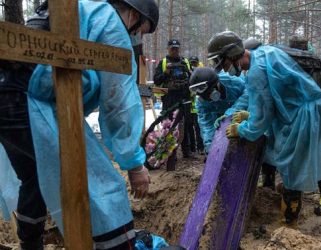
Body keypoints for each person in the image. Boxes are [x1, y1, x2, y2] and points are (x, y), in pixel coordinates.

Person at [0, 0, 159, 249]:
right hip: (29, 99)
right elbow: (118, 101)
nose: (135, 36)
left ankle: (30, 244)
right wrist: (134, 163)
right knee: (102, 184)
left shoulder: (84, 9)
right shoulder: (109, 20)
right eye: (139, 30)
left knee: (32, 177)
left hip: (6, 94)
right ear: (133, 14)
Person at [207, 31, 321, 225]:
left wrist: (241, 129)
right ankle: (289, 212)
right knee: (284, 158)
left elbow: (261, 120)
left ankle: (289, 222)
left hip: (300, 114)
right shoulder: (263, 54)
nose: (225, 70)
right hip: (297, 110)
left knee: (291, 166)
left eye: (223, 63)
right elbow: (263, 98)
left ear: (232, 55)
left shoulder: (257, 70)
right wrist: (241, 113)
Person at [189, 67, 246, 153]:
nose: (207, 100)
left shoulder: (234, 81)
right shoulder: (201, 102)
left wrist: (231, 113)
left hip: (242, 112)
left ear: (216, 86)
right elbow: (206, 124)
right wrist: (209, 144)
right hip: (219, 116)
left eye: (209, 97)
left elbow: (248, 95)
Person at [154, 39, 193, 158]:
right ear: (168, 49)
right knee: (169, 126)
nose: (175, 51)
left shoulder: (185, 61)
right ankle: (170, 154)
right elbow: (156, 80)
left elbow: (193, 78)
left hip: (184, 97)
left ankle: (187, 152)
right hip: (170, 100)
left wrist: (190, 72)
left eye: (176, 48)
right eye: (172, 48)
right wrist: (165, 72)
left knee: (186, 125)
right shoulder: (163, 62)